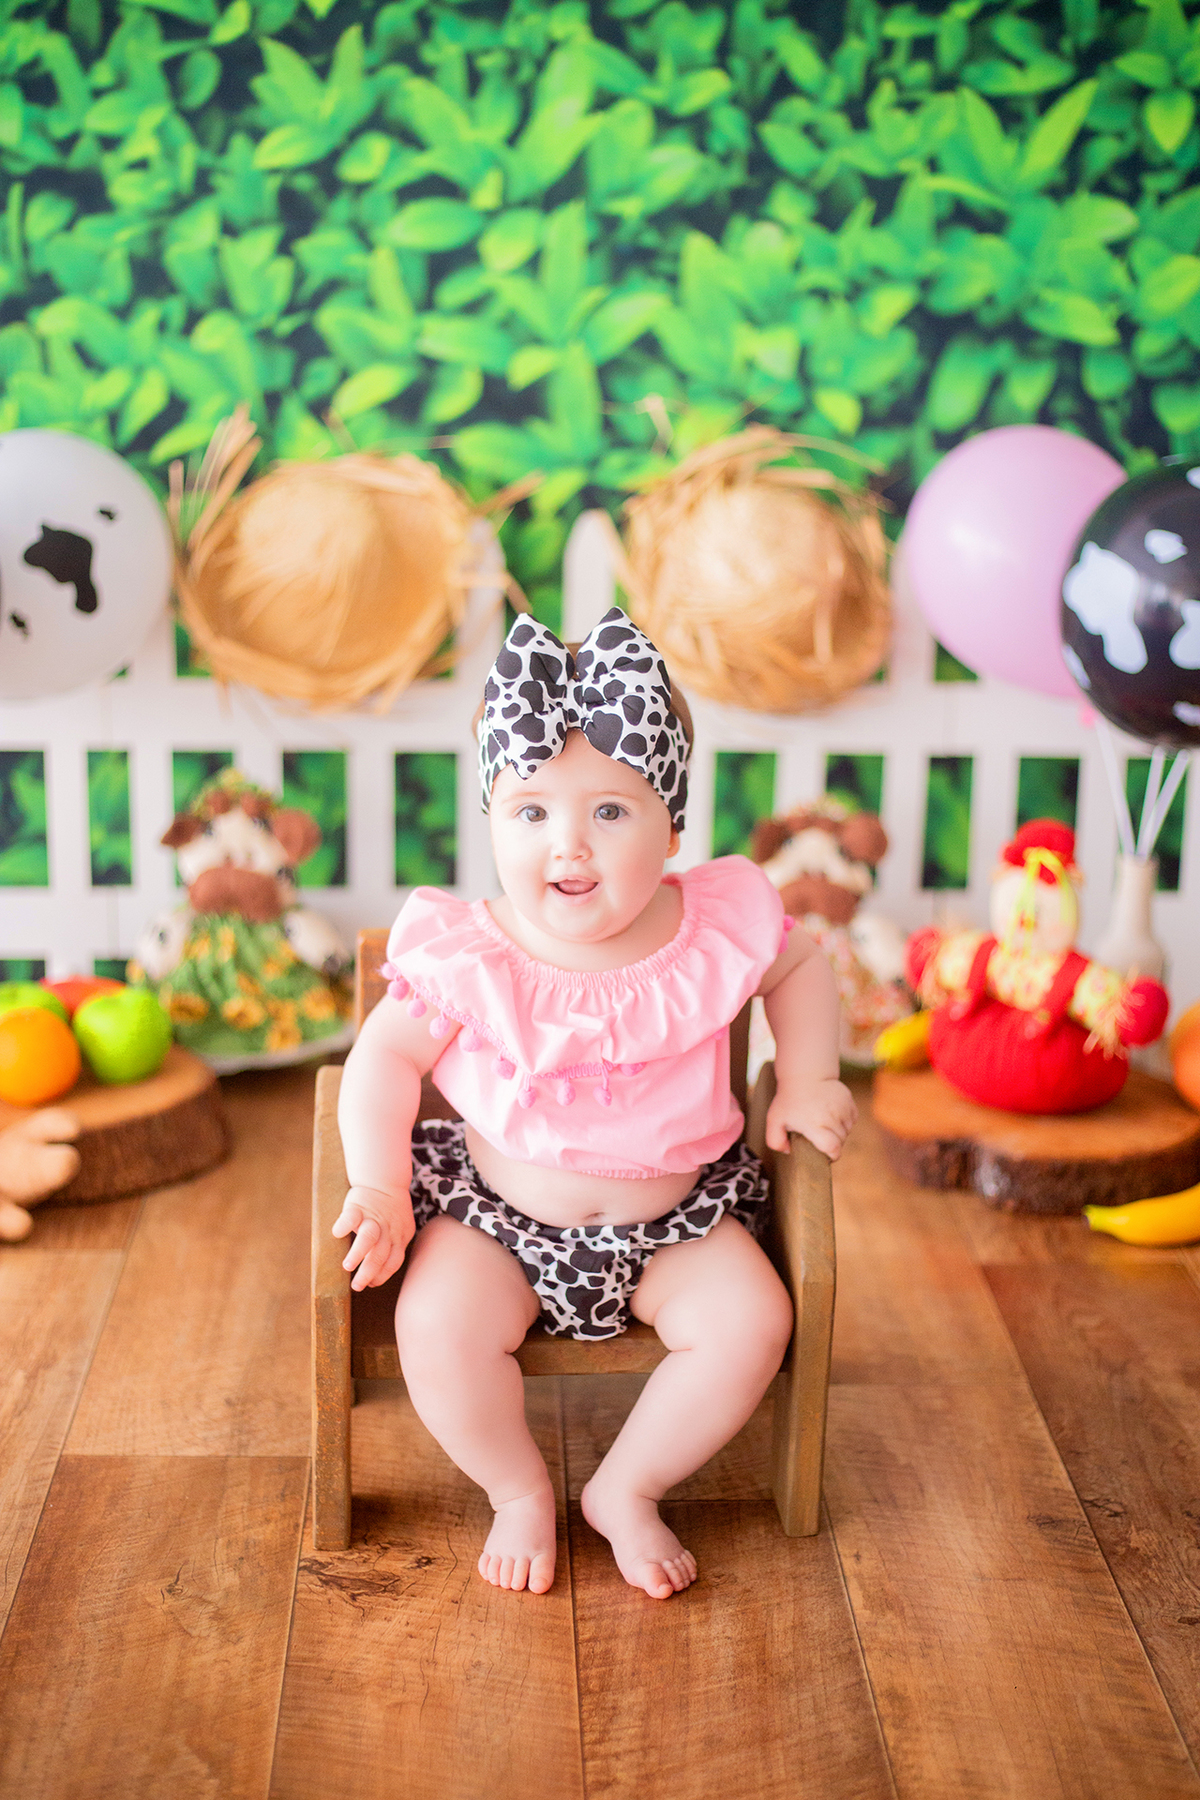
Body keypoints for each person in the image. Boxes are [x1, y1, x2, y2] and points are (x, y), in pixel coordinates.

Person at [334, 609, 855, 1601]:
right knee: (438, 1328)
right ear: (492, 818)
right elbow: (384, 1061)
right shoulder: (474, 954)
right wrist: (380, 1184)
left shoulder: (710, 925)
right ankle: (516, 1488)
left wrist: (807, 1075)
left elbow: (800, 963)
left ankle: (630, 1485)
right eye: (531, 813)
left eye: (610, 812)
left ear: (671, 820)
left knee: (753, 1320)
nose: (568, 844)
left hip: (679, 1222)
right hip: (498, 1224)